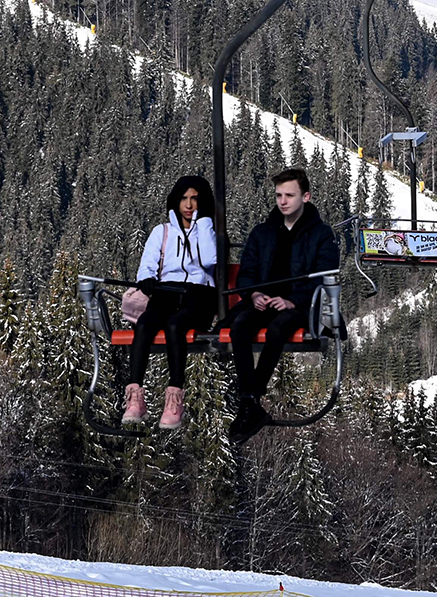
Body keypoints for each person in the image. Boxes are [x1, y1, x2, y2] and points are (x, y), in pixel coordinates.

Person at [228, 167, 339, 441]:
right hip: (264, 301)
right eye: (279, 195)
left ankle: (250, 401)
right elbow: (247, 272)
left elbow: (324, 277)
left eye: (289, 195)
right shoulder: (262, 233)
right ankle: (250, 402)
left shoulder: (321, 234)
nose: (283, 201)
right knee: (240, 324)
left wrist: (292, 301)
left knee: (279, 328)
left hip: (302, 306)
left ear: (306, 197)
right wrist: (254, 294)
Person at [119, 175, 219, 430]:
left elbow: (210, 261)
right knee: (144, 324)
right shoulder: (162, 231)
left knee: (176, 325)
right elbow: (147, 265)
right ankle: (135, 396)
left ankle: (174, 397)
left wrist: (204, 222)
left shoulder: (208, 230)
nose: (188, 205)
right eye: (183, 198)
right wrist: (147, 280)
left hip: (199, 294)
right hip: (166, 292)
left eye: (195, 199)